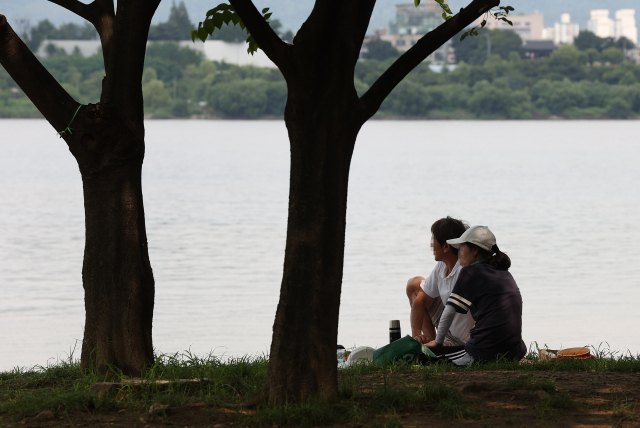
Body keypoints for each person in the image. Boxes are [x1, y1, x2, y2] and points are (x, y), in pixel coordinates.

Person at [423, 225, 527, 366]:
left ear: (475, 250)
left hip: (484, 352)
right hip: (514, 351)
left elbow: (449, 312)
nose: (459, 254)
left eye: (461, 248)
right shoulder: (503, 273)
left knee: (424, 355)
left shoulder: (471, 272)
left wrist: (438, 342)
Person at [406, 217, 475, 346]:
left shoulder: (465, 270)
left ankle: (435, 346)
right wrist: (416, 334)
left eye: (434, 240)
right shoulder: (442, 266)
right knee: (414, 284)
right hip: (448, 324)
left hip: (462, 340)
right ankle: (429, 340)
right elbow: (420, 300)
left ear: (446, 247)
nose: (431, 245)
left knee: (414, 353)